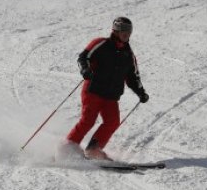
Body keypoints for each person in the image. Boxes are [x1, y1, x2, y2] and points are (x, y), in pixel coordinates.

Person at [60, 17, 149, 161]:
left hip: (111, 95)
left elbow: (133, 77)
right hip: (93, 90)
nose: (126, 35)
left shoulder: (128, 55)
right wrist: (85, 69)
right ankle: (67, 148)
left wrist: (141, 92)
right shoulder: (101, 44)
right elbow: (84, 57)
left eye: (129, 32)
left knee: (112, 122)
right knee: (88, 120)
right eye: (123, 31)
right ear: (115, 31)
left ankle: (94, 150)